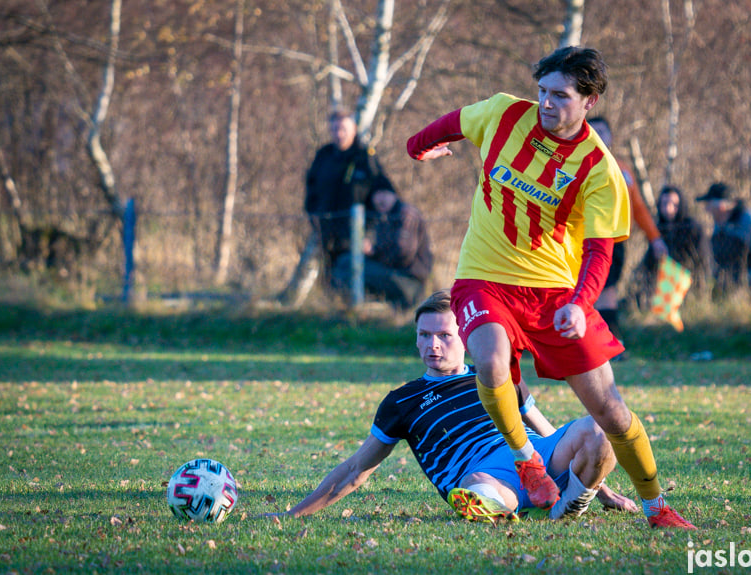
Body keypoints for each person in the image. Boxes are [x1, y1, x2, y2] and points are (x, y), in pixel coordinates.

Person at [407, 46, 695, 529]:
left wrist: (581, 305)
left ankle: (656, 508)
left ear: (590, 101)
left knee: (612, 412)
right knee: (493, 362)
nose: (545, 103)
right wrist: (419, 147)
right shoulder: (502, 113)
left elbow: (600, 253)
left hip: (555, 296)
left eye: (559, 95)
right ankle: (527, 463)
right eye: (541, 91)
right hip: (485, 278)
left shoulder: (600, 171)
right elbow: (446, 124)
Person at [280, 289, 638, 522]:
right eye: (424, 335)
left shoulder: (497, 372)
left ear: (465, 337)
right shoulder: (402, 401)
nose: (433, 345)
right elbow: (357, 468)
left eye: (444, 335)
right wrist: (294, 513)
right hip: (486, 474)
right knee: (476, 492)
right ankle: (507, 506)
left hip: (537, 455)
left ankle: (568, 505)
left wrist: (602, 488)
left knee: (598, 431)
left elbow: (542, 424)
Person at [278, 108, 385, 306]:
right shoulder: (324, 155)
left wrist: (369, 234)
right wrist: (314, 217)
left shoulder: (365, 157)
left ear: (353, 129)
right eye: (335, 129)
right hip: (325, 232)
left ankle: (355, 312)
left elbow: (382, 196)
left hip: (356, 235)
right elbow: (311, 190)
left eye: (343, 129)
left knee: (351, 276)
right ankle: (330, 311)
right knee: (327, 277)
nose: (339, 134)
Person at [586, 117, 668, 345]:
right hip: (587, 240)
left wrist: (655, 238)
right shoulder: (580, 163)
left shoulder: (622, 168)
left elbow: (639, 207)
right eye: (594, 130)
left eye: (603, 130)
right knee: (596, 292)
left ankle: (607, 342)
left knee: (609, 290)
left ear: (611, 136)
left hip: (617, 240)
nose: (599, 134)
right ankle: (603, 343)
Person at [331, 174, 433, 309]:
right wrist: (372, 251)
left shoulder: (406, 214)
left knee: (349, 268)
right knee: (345, 261)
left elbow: (403, 255)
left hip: (409, 281)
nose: (380, 199)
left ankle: (354, 307)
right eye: (376, 195)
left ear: (394, 194)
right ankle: (352, 306)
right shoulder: (384, 218)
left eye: (384, 193)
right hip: (395, 276)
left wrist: (374, 252)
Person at [696, 182, 751, 305]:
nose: (706, 209)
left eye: (709, 204)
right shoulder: (719, 225)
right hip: (728, 298)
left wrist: (745, 284)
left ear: (722, 206)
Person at [633, 185, 712, 309]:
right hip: (660, 288)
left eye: (674, 204)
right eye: (664, 204)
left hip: (688, 286)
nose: (668, 209)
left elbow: (703, 262)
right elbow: (648, 265)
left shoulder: (692, 229)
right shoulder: (657, 231)